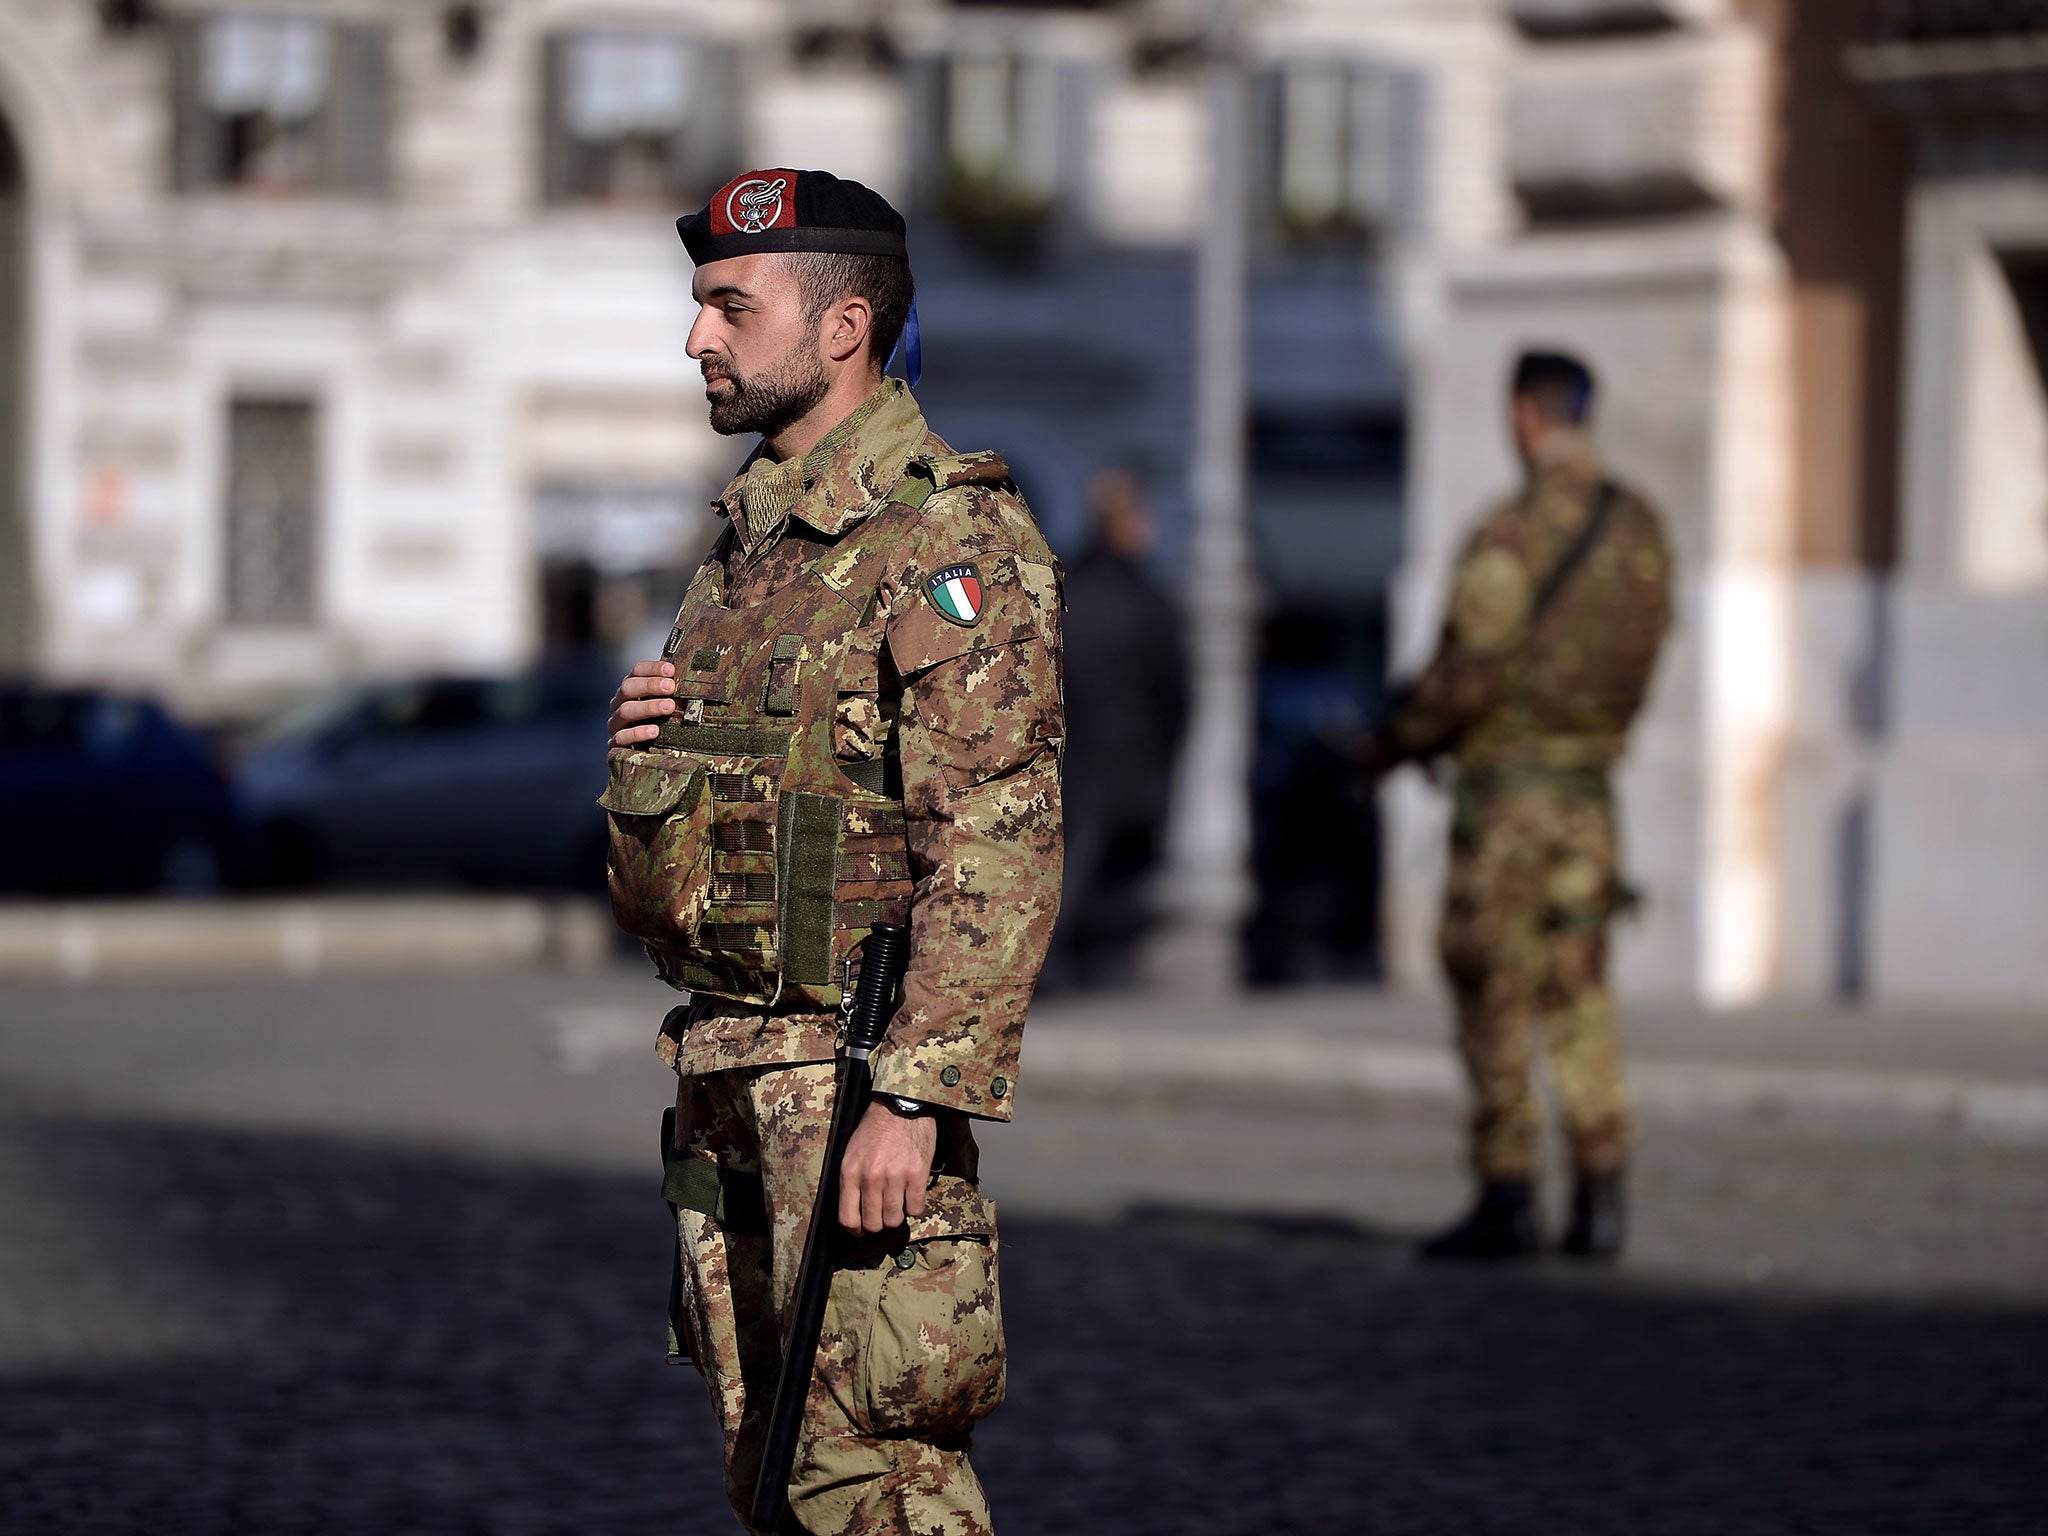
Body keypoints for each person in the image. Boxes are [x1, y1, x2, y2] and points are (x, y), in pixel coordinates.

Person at [603, 169, 1064, 1534]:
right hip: (729, 1069)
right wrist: (646, 764)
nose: (699, 339)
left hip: (843, 1078)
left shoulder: (948, 537)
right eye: (701, 308)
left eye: (730, 309)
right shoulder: (751, 543)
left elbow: (997, 838)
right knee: (776, 1477)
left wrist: (915, 1099)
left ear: (843, 327)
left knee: (877, 1478)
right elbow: (677, 860)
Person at [1364, 349, 1672, 1262]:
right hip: (1591, 798)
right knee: (1580, 992)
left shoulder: (1514, 532)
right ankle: (1601, 1192)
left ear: (1526, 417)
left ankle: (1506, 1193)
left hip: (1508, 807)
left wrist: (1398, 740)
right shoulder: (1641, 528)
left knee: (1494, 989)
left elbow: (1470, 671)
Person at [1043, 469, 1187, 989]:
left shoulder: (1067, 587)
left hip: (1071, 752)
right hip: (1129, 756)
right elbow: (1174, 691)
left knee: (1068, 864)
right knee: (1104, 871)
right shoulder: (1147, 600)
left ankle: (1064, 967)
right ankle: (1079, 969)